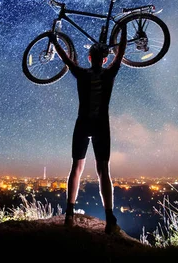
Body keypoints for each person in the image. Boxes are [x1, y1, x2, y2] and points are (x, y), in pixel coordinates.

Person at [48, 27, 127, 234]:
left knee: (76, 168)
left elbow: (67, 60)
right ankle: (110, 217)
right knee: (103, 171)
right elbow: (120, 55)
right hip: (102, 125)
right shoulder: (109, 74)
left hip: (82, 123)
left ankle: (69, 214)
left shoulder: (81, 74)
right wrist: (124, 29)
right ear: (103, 60)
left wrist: (55, 42)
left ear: (90, 57)